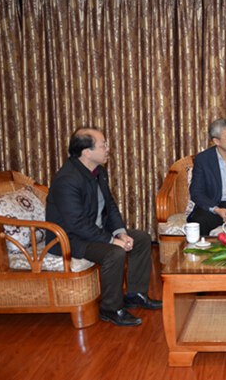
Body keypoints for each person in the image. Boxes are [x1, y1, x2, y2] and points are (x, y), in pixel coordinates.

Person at [46, 127, 161, 327]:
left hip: (93, 232)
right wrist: (111, 240)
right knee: (114, 253)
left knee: (141, 238)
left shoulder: (98, 171)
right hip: (69, 239)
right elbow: (76, 223)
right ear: (86, 152)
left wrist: (120, 233)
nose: (108, 149)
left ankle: (135, 294)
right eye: (103, 145)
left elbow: (110, 206)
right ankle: (111, 308)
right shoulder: (67, 179)